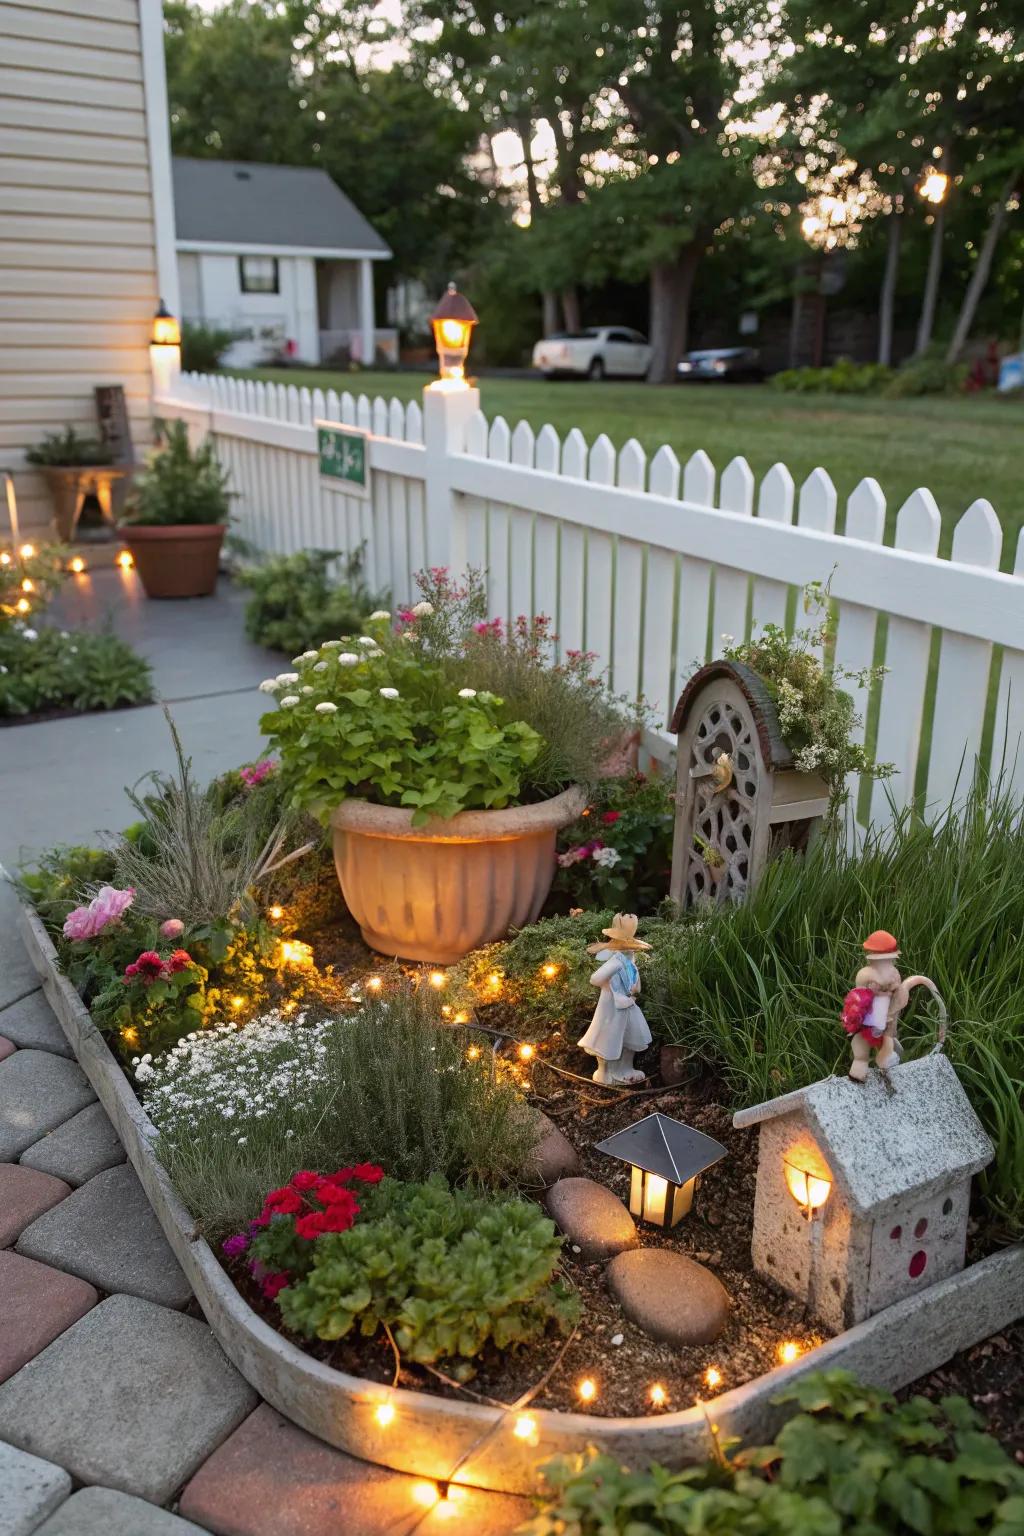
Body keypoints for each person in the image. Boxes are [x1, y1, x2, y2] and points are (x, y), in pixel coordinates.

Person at [578, 913, 652, 1085]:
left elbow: (636, 987)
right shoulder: (615, 962)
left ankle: (625, 1069)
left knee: (632, 1036)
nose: (630, 951)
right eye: (627, 948)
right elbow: (595, 979)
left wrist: (634, 990)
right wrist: (611, 977)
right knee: (607, 1037)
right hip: (611, 1007)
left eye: (631, 948)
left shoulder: (631, 965)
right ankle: (604, 1071)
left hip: (628, 1005)